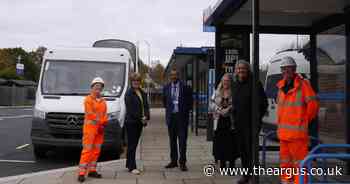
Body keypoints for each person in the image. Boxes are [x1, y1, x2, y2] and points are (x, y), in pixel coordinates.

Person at [276, 56, 319, 184]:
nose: (285, 71)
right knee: (285, 164)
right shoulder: (281, 87)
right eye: (283, 69)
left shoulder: (303, 85)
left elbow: (313, 106)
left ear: (294, 69)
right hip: (283, 135)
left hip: (298, 136)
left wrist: (303, 121)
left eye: (288, 68)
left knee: (300, 165)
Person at [231, 60, 268, 184]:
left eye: (243, 68)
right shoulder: (235, 84)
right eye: (239, 69)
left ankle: (253, 176)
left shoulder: (254, 83)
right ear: (236, 71)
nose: (241, 71)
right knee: (243, 151)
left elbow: (263, 104)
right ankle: (246, 175)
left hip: (251, 125)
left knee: (251, 151)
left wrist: (256, 119)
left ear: (248, 70)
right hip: (239, 124)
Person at [78, 77, 108, 183]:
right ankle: (81, 173)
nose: (98, 90)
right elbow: (90, 114)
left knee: (96, 151)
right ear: (92, 88)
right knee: (87, 151)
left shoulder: (103, 101)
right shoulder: (88, 100)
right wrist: (101, 123)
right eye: (96, 88)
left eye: (100, 88)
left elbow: (105, 114)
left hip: (99, 130)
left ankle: (92, 170)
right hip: (90, 130)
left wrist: (103, 124)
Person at [163, 68, 193, 171]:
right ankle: (173, 161)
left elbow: (190, 102)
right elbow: (165, 102)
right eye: (172, 75)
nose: (173, 77)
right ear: (170, 76)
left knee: (182, 141)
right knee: (172, 141)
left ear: (178, 76)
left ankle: (182, 162)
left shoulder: (185, 87)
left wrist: (184, 112)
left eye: (175, 75)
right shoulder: (166, 87)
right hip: (171, 117)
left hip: (181, 118)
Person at [210, 73, 239, 169]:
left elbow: (237, 103)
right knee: (220, 143)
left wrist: (229, 108)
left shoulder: (235, 92)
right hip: (219, 121)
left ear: (231, 82)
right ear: (221, 82)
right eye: (224, 80)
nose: (225, 82)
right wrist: (219, 110)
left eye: (227, 81)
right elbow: (211, 104)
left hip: (230, 121)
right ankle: (222, 163)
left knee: (231, 143)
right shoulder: (217, 91)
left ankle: (231, 164)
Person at [124, 72, 150, 175]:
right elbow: (130, 110)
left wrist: (146, 116)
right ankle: (132, 167)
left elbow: (146, 106)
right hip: (131, 123)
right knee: (132, 145)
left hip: (139, 122)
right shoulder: (129, 93)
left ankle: (129, 164)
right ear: (131, 82)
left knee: (134, 144)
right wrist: (141, 118)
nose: (136, 82)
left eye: (138, 80)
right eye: (134, 81)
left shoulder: (142, 92)